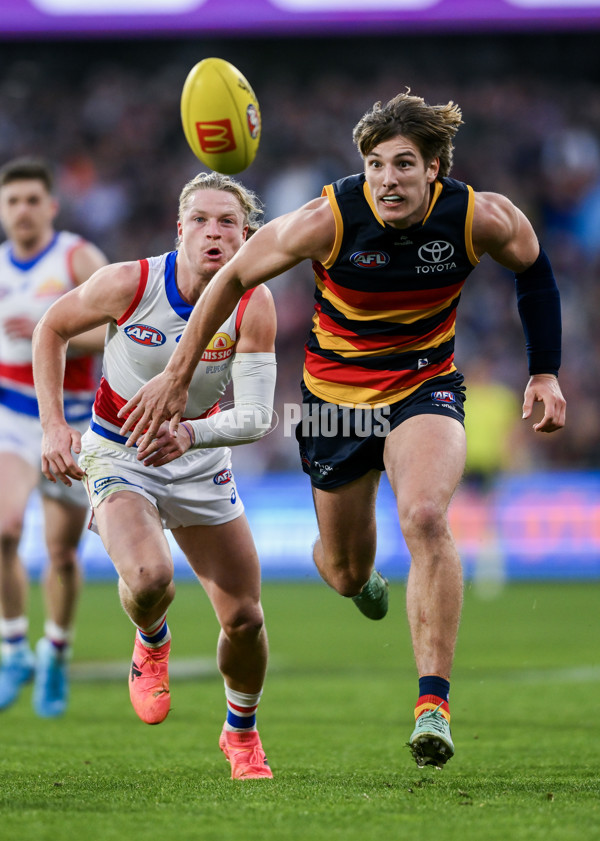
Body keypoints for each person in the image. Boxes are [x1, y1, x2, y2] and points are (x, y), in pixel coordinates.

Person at [115, 92, 566, 770]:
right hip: (334, 405)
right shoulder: (328, 218)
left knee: (423, 515)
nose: (388, 179)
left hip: (424, 384)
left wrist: (545, 371)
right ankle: (361, 582)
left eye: (405, 165)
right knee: (343, 566)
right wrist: (179, 375)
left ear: (435, 169)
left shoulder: (479, 216)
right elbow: (233, 276)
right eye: (377, 164)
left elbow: (533, 268)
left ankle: (432, 705)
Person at [32, 171, 277, 780]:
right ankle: (153, 638)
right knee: (149, 578)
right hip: (119, 451)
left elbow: (255, 416)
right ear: (179, 229)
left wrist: (190, 434)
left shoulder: (255, 301)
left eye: (228, 223)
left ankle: (240, 734)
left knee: (244, 618)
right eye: (201, 220)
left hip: (198, 458)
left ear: (246, 237)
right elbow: (51, 329)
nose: (214, 233)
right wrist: (54, 427)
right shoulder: (131, 281)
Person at [0, 157, 108, 717]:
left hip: (74, 418)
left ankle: (56, 653)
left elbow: (124, 325)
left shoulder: (77, 258)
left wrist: (49, 327)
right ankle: (14, 646)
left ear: (50, 206)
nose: (21, 210)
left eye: (30, 200)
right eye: (11, 201)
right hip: (14, 416)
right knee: (4, 527)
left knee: (61, 553)